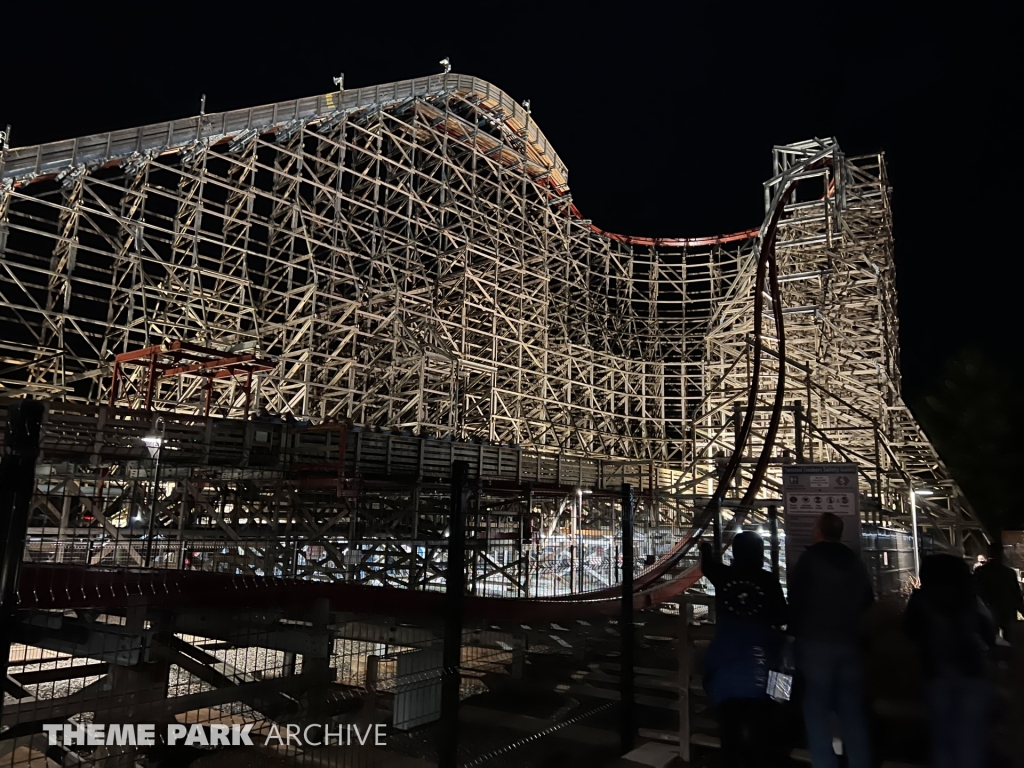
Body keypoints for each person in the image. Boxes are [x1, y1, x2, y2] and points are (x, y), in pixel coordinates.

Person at [787, 512, 874, 768]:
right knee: (852, 711)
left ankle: (825, 763)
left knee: (816, 709)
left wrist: (792, 634)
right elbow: (868, 601)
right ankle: (860, 762)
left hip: (815, 644)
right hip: (850, 644)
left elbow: (797, 600)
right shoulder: (853, 561)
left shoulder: (810, 559)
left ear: (818, 531)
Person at [700, 532, 788, 767]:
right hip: (767, 661)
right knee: (769, 726)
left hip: (727, 664)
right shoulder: (768, 579)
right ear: (760, 553)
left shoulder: (724, 575)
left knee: (729, 728)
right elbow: (783, 615)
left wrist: (705, 547)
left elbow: (707, 566)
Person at [906, 554, 996, 768]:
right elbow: (989, 633)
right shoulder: (970, 599)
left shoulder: (921, 599)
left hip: (936, 674)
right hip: (973, 674)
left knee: (942, 741)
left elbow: (909, 633)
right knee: (970, 742)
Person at [974, 541, 1023, 639]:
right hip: (1006, 610)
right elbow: (1016, 594)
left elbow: (977, 592)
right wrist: (1021, 609)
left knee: (991, 639)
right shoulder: (1008, 572)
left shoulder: (980, 572)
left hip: (989, 610)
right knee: (1009, 638)